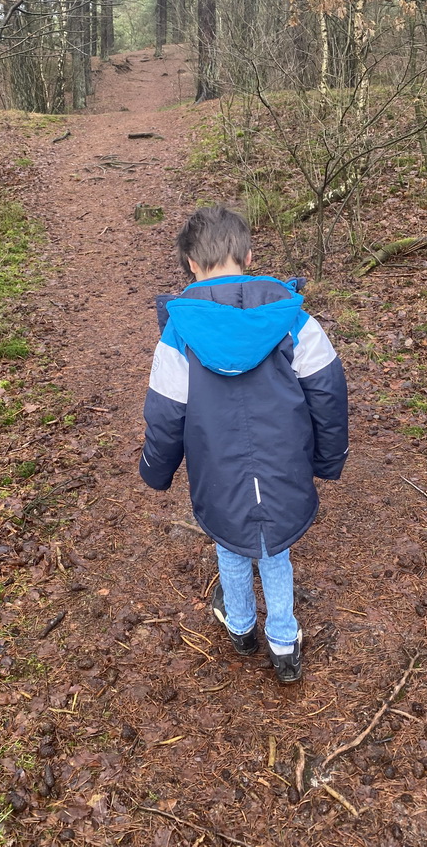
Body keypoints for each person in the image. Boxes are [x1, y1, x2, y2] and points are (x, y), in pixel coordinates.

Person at [139, 206, 348, 683]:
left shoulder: (179, 333)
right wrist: (328, 457)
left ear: (190, 263)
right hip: (283, 463)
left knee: (231, 546)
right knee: (275, 549)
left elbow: (167, 411)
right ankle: (283, 642)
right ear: (248, 255)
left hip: (218, 468)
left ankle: (240, 627)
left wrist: (157, 467)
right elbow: (328, 393)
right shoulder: (293, 319)